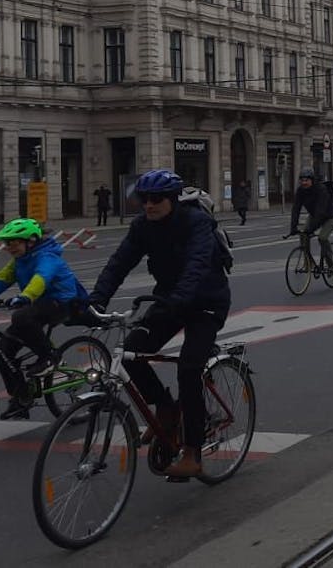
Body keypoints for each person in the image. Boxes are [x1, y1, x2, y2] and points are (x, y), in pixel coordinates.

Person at [87, 169, 231, 479]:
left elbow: (197, 265)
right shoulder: (142, 227)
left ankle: (193, 451)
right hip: (169, 300)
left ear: (173, 199)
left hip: (206, 301)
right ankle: (165, 407)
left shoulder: (196, 222)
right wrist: (96, 302)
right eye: (143, 199)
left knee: (189, 369)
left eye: (156, 199)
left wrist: (180, 297)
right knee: (132, 351)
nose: (149, 205)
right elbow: (119, 263)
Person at [0, 218, 89, 418]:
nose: (8, 247)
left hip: (62, 303)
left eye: (13, 242)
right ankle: (21, 397)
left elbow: (41, 278)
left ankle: (49, 358)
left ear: (30, 241)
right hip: (37, 306)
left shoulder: (48, 257)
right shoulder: (18, 262)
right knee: (2, 351)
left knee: (21, 316)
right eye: (6, 243)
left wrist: (25, 297)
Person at [289, 167, 333, 267]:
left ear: (312, 180)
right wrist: (293, 227)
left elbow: (320, 211)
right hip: (314, 216)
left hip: (330, 216)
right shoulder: (300, 191)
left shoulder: (321, 189)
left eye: (306, 180)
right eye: (302, 180)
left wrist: (311, 229)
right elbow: (296, 209)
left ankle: (331, 263)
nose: (304, 183)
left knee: (322, 238)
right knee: (303, 235)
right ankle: (308, 262)